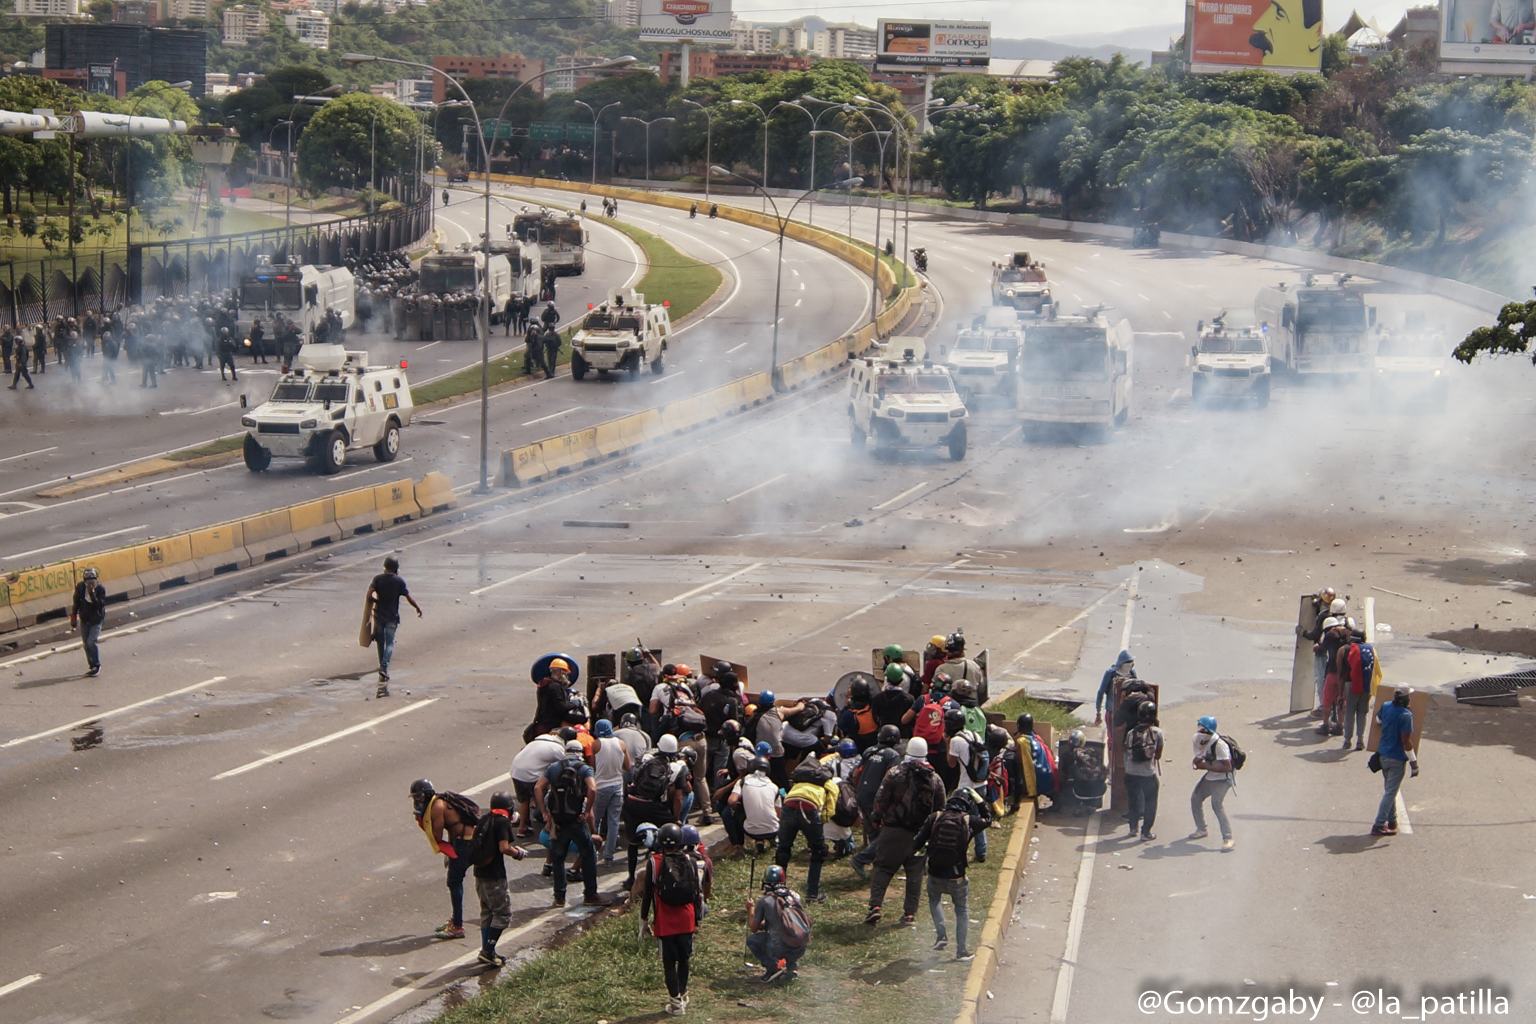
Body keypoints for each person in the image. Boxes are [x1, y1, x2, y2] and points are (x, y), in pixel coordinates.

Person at [865, 737, 945, 927]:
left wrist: (876, 818)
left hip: (894, 830)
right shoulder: (935, 779)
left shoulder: (895, 773)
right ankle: (909, 915)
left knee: (883, 868)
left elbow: (881, 798)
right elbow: (941, 807)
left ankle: (875, 907)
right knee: (915, 874)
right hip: (921, 834)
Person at [639, 822, 710, 1015]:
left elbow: (647, 894)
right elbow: (698, 892)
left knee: (668, 962)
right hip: (686, 917)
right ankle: (683, 993)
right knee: (684, 959)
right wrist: (697, 918)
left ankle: (675, 1002)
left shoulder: (654, 862)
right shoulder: (690, 860)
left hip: (665, 918)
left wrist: (644, 919)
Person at [536, 739, 612, 908]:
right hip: (576, 821)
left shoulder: (554, 767)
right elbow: (592, 789)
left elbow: (538, 788)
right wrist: (586, 811)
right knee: (589, 854)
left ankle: (559, 897)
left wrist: (544, 812)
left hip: (558, 821)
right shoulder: (584, 768)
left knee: (557, 858)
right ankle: (590, 894)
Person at [916, 789, 986, 961]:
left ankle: (941, 936)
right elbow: (988, 819)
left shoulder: (935, 817)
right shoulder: (969, 821)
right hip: (957, 876)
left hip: (934, 873)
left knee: (934, 900)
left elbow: (917, 841)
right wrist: (980, 802)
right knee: (961, 910)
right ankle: (961, 951)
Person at [410, 779, 480, 939]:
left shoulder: (436, 807)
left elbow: (436, 836)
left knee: (454, 882)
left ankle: (458, 926)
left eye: (419, 797)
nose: (417, 801)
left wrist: (421, 822)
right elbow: (452, 828)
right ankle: (456, 920)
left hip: (465, 844)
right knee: (455, 881)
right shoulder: (439, 802)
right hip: (461, 842)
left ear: (427, 794)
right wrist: (450, 850)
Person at [469, 791, 527, 967]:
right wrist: (518, 853)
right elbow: (504, 847)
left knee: (487, 912)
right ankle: (488, 951)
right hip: (494, 877)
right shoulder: (502, 821)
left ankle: (487, 950)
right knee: (502, 914)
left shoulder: (485, 819)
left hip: (480, 874)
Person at [775, 756, 836, 902]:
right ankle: (812, 894)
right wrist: (819, 824)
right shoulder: (828, 783)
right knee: (818, 851)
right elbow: (830, 809)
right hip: (809, 808)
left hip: (789, 805)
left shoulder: (800, 780)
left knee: (783, 850)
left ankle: (777, 891)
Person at [850, 725, 904, 875]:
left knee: (874, 833)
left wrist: (860, 790)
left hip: (862, 795)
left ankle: (878, 865)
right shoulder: (893, 755)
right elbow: (890, 778)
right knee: (886, 835)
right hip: (876, 798)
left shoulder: (869, 750)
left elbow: (856, 775)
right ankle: (860, 859)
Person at [747, 864, 810, 983]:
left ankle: (773, 968)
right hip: (801, 946)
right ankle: (792, 965)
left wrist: (750, 909)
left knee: (752, 940)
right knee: (788, 935)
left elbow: (753, 928)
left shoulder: (765, 901)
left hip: (779, 948)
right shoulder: (795, 896)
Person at [366, 557, 422, 690]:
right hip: (392, 617)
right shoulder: (399, 581)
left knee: (380, 641)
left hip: (379, 615)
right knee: (390, 643)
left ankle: (382, 666)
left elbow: (369, 595)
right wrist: (417, 608)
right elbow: (409, 598)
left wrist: (377, 602)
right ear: (396, 568)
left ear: (385, 566)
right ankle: (384, 667)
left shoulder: (377, 579)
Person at [1373, 688, 1418, 836]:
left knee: (1390, 790)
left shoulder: (1386, 706)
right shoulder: (1406, 716)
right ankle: (1379, 824)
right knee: (1391, 792)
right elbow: (1406, 741)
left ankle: (1392, 820)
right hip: (1397, 759)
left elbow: (1378, 720)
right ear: (1405, 699)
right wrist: (1414, 762)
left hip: (1383, 755)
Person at [945, 712, 990, 860]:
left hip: (966, 786)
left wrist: (946, 743)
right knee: (978, 817)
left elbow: (951, 764)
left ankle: (963, 850)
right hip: (981, 782)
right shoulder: (974, 735)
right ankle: (981, 851)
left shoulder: (955, 741)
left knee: (961, 819)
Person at [510, 728, 568, 837]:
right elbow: (568, 765)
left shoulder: (538, 741)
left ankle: (522, 827)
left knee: (524, 800)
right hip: (531, 775)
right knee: (549, 788)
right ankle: (548, 820)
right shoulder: (558, 749)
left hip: (516, 772)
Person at [1189, 716, 1235, 850]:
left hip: (1222, 779)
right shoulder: (1202, 741)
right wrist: (1198, 761)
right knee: (1195, 799)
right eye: (1201, 729)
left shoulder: (1219, 745)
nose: (1202, 732)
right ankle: (1201, 829)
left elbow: (1228, 767)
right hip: (1210, 776)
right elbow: (1201, 754)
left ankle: (1228, 838)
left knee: (1217, 805)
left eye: (1205, 730)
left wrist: (1207, 767)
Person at [593, 719, 631, 865]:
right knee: (613, 821)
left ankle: (594, 852)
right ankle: (609, 856)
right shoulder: (621, 744)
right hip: (617, 786)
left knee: (596, 820)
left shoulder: (596, 744)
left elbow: (593, 767)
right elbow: (628, 767)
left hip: (601, 786)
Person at [1123, 702, 1163, 841]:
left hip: (1130, 773)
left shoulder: (1131, 733)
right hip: (1147, 774)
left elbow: (1126, 751)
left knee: (1133, 801)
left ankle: (1132, 828)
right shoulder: (1157, 732)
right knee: (1150, 803)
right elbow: (1158, 755)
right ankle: (1146, 833)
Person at [729, 756, 782, 849]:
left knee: (734, 809)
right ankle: (772, 839)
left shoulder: (743, 782)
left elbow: (732, 801)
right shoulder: (774, 786)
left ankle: (741, 843)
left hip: (751, 831)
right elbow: (779, 813)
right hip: (774, 830)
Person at [1337, 633, 1376, 751]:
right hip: (1366, 683)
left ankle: (1347, 740)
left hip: (1351, 684)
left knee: (1349, 712)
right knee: (1362, 712)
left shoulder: (1343, 650)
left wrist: (1340, 693)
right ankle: (1360, 740)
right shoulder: (1370, 649)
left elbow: (1340, 673)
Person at [71, 567, 108, 677]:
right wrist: (73, 616)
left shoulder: (100, 589)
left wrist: (92, 594)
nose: (90, 584)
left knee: (91, 642)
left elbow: (99, 605)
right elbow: (76, 602)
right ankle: (91, 665)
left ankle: (97, 664)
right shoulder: (81, 588)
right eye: (88, 582)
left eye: (93, 581)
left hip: (96, 619)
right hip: (85, 619)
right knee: (86, 644)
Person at [1095, 650, 1136, 725]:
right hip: (1112, 711)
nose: (1128, 665)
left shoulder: (1132, 674)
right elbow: (1101, 692)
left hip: (1127, 712)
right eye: (1127, 663)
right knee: (1113, 734)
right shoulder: (1111, 674)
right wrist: (1098, 711)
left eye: (1130, 662)